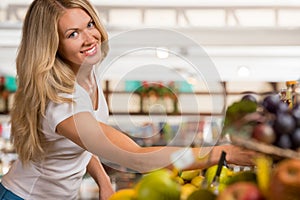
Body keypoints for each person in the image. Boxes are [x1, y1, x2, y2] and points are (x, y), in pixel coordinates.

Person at [0, 0, 257, 199]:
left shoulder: (85, 76)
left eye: (89, 25)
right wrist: (220, 153)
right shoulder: (62, 101)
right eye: (73, 34)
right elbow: (134, 156)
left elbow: (81, 146)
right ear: (51, 45)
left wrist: (103, 181)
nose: (90, 38)